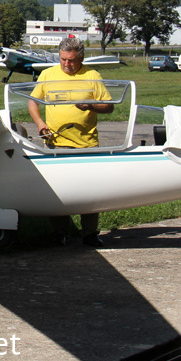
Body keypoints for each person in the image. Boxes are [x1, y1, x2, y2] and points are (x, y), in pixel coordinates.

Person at [28, 37, 113, 247]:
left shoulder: (92, 76)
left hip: (86, 144)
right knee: (57, 190)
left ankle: (89, 234)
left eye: (72, 60)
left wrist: (91, 106)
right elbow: (33, 101)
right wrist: (40, 124)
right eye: (63, 59)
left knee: (90, 191)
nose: (67, 64)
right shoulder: (48, 74)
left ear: (81, 58)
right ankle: (60, 233)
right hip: (56, 143)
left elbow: (109, 106)